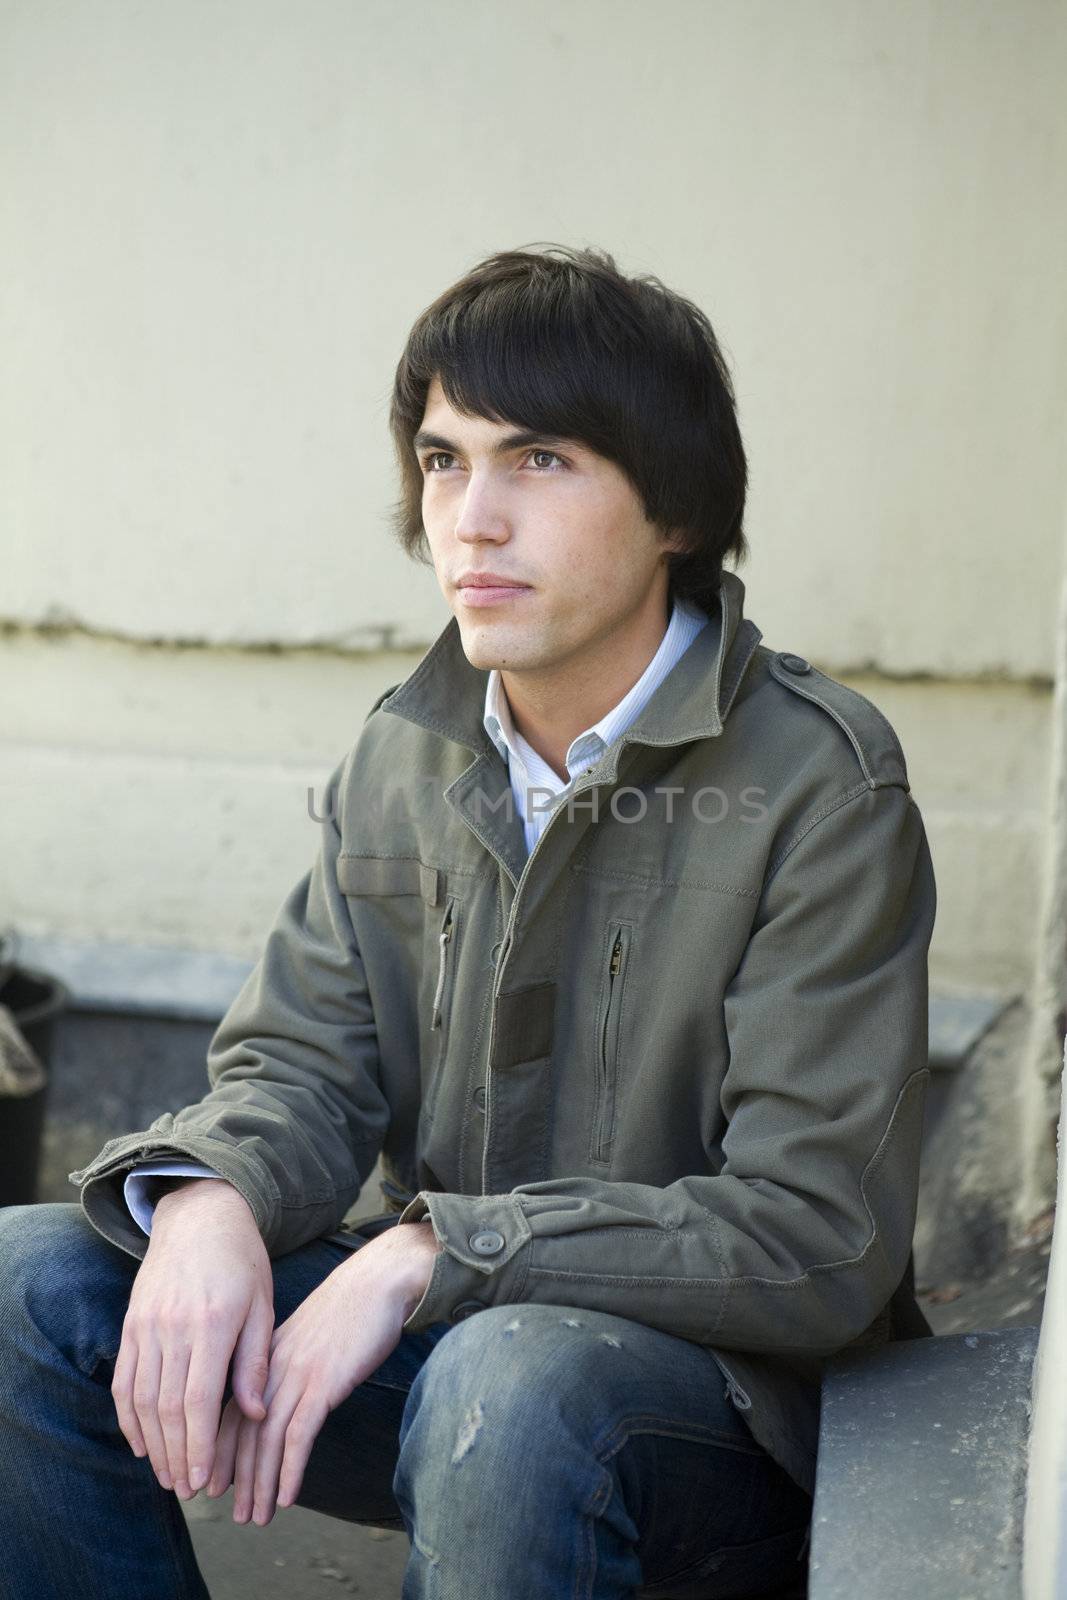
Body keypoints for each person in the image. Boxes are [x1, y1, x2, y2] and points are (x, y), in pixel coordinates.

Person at [0, 243, 936, 1599]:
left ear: (675, 506)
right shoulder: (411, 754)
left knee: (520, 1379)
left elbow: (816, 1236)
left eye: (539, 461)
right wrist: (207, 1200)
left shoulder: (817, 782)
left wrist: (435, 1250)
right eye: (445, 461)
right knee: (28, 1291)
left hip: (716, 1423)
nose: (473, 520)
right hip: (452, 1360)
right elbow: (298, 1066)